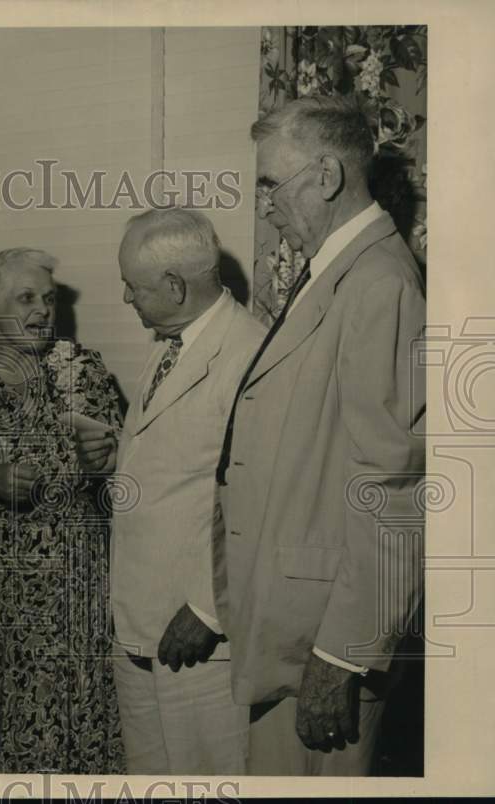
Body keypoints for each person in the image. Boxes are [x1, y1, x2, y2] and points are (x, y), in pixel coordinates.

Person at [213, 95, 426, 775]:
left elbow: (394, 482)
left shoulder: (378, 281)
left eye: (273, 183)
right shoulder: (334, 270)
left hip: (326, 639)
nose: (265, 204)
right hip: (291, 624)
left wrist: (343, 653)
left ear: (327, 176)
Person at [0, 247, 126, 774]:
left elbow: (124, 488)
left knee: (71, 739)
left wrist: (104, 467)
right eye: (26, 298)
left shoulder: (86, 373)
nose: (42, 310)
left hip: (71, 596)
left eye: (48, 298)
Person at [106, 209, 266, 774]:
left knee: (208, 779)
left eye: (133, 286)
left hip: (199, 635)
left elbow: (259, 500)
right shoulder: (170, 340)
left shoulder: (250, 353)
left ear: (175, 286)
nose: (126, 298)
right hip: (140, 623)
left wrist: (207, 606)